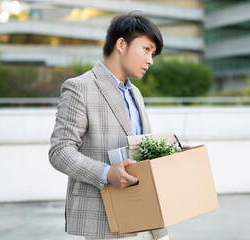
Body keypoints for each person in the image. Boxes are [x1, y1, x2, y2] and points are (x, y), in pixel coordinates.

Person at [48, 12, 168, 240]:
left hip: (148, 219)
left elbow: (141, 150)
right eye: (146, 49)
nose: (150, 60)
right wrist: (106, 173)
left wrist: (173, 154)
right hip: (106, 221)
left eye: (153, 53)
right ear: (121, 44)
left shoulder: (136, 93)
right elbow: (59, 151)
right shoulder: (80, 88)